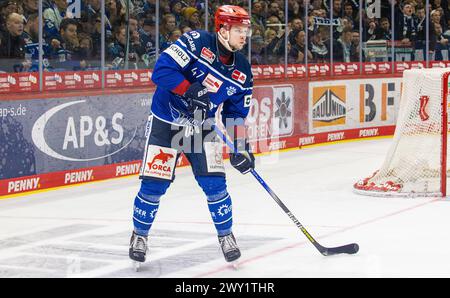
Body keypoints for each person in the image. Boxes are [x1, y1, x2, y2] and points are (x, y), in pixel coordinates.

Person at [129, 5, 254, 267]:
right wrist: (189, 89)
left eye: (246, 30)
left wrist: (240, 146)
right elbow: (161, 71)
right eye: (239, 30)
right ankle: (139, 236)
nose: (245, 36)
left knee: (215, 184)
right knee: (154, 185)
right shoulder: (196, 41)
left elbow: (236, 112)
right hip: (167, 122)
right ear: (222, 30)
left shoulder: (242, 69)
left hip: (201, 126)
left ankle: (226, 236)